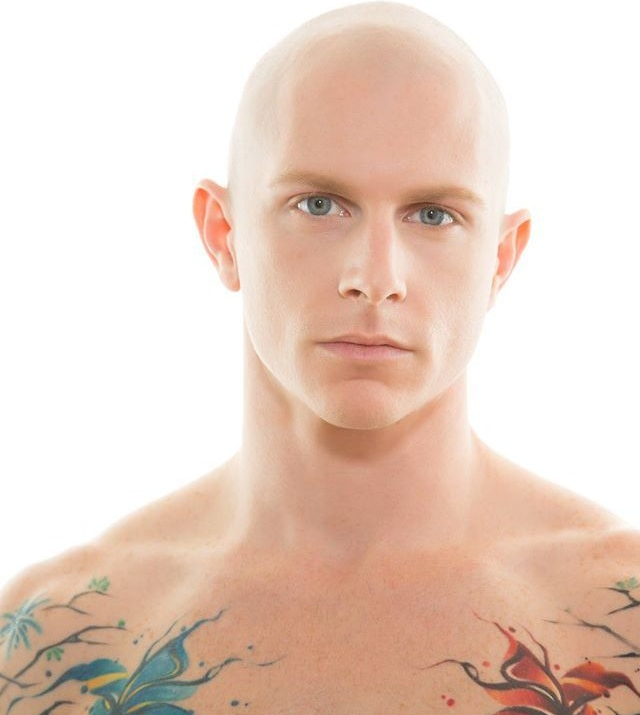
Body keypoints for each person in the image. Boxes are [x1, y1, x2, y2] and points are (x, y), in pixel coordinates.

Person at [1, 2, 640, 714]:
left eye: (433, 215)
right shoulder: (52, 644)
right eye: (319, 205)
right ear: (223, 234)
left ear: (501, 258)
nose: (375, 276)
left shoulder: (621, 622)